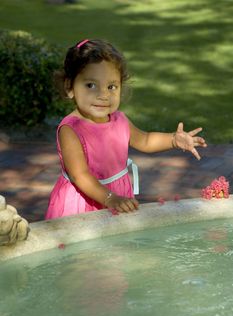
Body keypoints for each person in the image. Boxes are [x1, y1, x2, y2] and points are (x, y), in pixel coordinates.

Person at [45, 39, 207, 219]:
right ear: (70, 87)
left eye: (111, 87)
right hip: (83, 203)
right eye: (91, 85)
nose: (103, 95)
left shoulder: (119, 120)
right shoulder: (71, 129)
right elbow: (80, 176)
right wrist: (110, 198)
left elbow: (145, 140)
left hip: (116, 196)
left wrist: (174, 140)